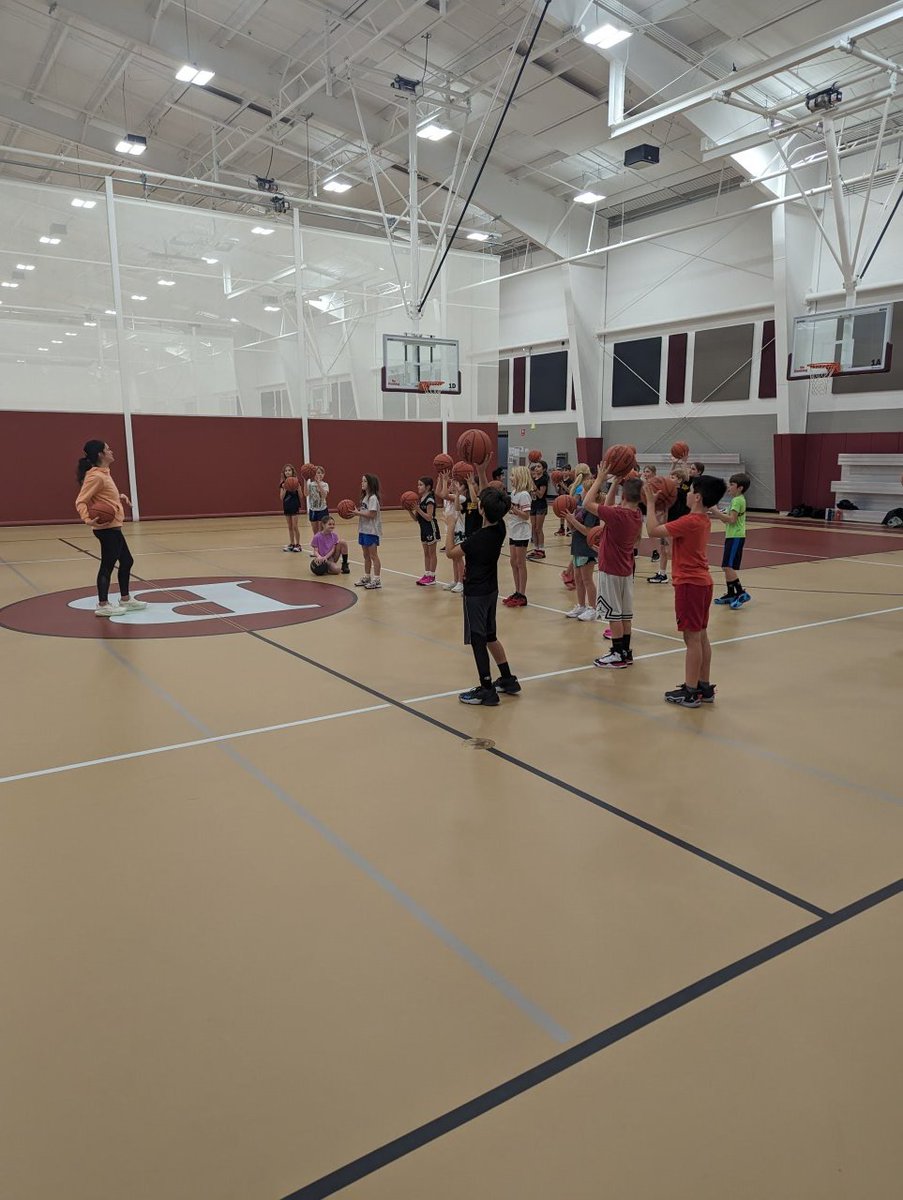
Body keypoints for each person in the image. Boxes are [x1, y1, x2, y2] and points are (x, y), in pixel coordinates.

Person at [643, 473, 727, 707]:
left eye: (690, 492)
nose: (687, 494)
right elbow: (670, 541)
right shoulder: (701, 520)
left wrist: (650, 503)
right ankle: (704, 686)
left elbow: (651, 531)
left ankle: (690, 692)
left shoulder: (690, 522)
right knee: (701, 636)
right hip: (702, 582)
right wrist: (663, 512)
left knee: (691, 639)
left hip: (690, 583)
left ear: (697, 497)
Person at [444, 486, 520, 706]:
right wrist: (479, 471)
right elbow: (488, 504)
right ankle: (507, 678)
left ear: (483, 510)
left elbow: (450, 553)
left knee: (479, 640)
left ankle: (487, 689)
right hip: (491, 590)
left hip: (476, 593)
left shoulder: (477, 540)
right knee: (490, 635)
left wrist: (450, 525)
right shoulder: (500, 528)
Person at [74, 439, 147, 618]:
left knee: (127, 561)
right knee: (107, 565)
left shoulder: (104, 473)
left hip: (113, 527)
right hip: (106, 528)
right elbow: (80, 500)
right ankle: (103, 604)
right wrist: (87, 519)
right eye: (108, 449)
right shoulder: (95, 476)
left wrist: (119, 497)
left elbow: (103, 495)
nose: (112, 451)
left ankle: (125, 599)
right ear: (100, 454)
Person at [586, 473, 643, 666]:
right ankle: (626, 652)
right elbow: (609, 509)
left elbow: (587, 502)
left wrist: (601, 479)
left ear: (624, 496)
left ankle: (617, 654)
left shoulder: (617, 515)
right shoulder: (636, 514)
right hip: (626, 570)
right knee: (625, 615)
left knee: (614, 615)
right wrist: (616, 484)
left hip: (610, 569)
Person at [712, 472, 751, 608]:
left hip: (736, 536)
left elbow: (731, 520)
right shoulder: (735, 501)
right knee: (725, 566)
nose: (729, 487)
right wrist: (717, 513)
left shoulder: (738, 500)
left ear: (740, 488)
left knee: (728, 566)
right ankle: (730, 593)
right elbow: (726, 519)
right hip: (731, 535)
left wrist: (715, 511)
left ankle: (741, 592)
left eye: (732, 485)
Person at [648, 463, 690, 584]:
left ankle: (682, 573)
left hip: (677, 525)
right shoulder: (669, 492)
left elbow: (687, 480)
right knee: (663, 549)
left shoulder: (683, 491)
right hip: (667, 524)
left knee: (671, 551)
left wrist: (683, 462)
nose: (669, 479)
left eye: (673, 477)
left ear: (679, 480)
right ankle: (662, 574)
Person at [562, 494, 599, 621]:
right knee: (578, 579)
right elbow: (574, 529)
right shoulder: (581, 509)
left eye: (584, 490)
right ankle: (581, 606)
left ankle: (593, 608)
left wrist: (573, 520)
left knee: (587, 579)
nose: (582, 492)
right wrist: (568, 518)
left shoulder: (592, 512)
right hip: (577, 547)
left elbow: (588, 531)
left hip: (587, 549)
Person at [503, 465, 532, 607]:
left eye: (513, 475)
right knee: (513, 562)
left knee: (520, 563)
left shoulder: (524, 495)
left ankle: (522, 594)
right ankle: (516, 591)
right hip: (513, 530)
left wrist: (512, 508)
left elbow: (526, 516)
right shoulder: (514, 492)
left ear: (520, 477)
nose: (510, 478)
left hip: (521, 531)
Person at [436, 471, 465, 592]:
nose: (451, 484)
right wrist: (440, 478)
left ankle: (461, 582)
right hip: (450, 530)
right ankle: (455, 580)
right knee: (453, 558)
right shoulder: (449, 498)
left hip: (458, 531)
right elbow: (438, 493)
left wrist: (445, 479)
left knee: (458, 558)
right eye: (450, 483)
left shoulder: (461, 498)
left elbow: (444, 495)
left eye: (455, 482)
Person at [354, 474, 382, 590]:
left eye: (365, 481)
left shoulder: (373, 498)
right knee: (366, 555)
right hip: (363, 529)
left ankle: (377, 579)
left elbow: (372, 514)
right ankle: (367, 576)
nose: (362, 483)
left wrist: (357, 513)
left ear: (371, 484)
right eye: (362, 481)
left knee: (373, 555)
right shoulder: (365, 497)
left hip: (372, 531)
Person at [411, 475, 438, 586]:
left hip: (431, 527)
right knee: (426, 553)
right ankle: (427, 574)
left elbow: (429, 517)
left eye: (420, 484)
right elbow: (416, 519)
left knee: (432, 553)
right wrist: (409, 510)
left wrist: (418, 509)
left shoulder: (430, 499)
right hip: (423, 528)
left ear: (428, 487)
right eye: (418, 484)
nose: (418, 486)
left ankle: (432, 576)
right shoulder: (420, 499)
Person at [526, 459, 549, 559]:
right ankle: (536, 549)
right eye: (536, 466)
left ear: (544, 469)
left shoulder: (543, 479)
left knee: (538, 529)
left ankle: (542, 550)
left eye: (539, 466)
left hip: (541, 505)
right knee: (533, 528)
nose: (536, 468)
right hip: (533, 505)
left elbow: (540, 495)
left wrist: (534, 487)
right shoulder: (534, 479)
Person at [279, 463, 302, 552]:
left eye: (289, 470)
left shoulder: (297, 482)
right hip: (287, 505)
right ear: (284, 473)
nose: (287, 472)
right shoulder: (283, 484)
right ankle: (292, 544)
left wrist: (298, 488)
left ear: (292, 472)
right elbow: (281, 497)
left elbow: (301, 496)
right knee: (290, 526)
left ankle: (298, 544)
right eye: (286, 471)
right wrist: (285, 488)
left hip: (295, 505)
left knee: (295, 526)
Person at [306, 465, 330, 543]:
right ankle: (316, 548)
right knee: (315, 532)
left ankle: (322, 548)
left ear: (323, 475)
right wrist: (305, 480)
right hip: (313, 510)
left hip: (322, 509)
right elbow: (306, 494)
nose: (318, 475)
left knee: (321, 531)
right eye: (316, 473)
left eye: (320, 473)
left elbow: (324, 495)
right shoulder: (310, 485)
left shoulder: (325, 484)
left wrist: (319, 483)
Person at [554, 464, 574, 536]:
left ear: (569, 471)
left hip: (568, 500)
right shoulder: (560, 480)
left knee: (568, 515)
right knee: (561, 515)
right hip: (561, 499)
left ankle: (569, 529)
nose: (564, 472)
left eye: (566, 470)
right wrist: (555, 485)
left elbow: (569, 491)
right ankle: (562, 528)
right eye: (563, 470)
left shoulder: (570, 481)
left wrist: (563, 485)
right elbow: (558, 491)